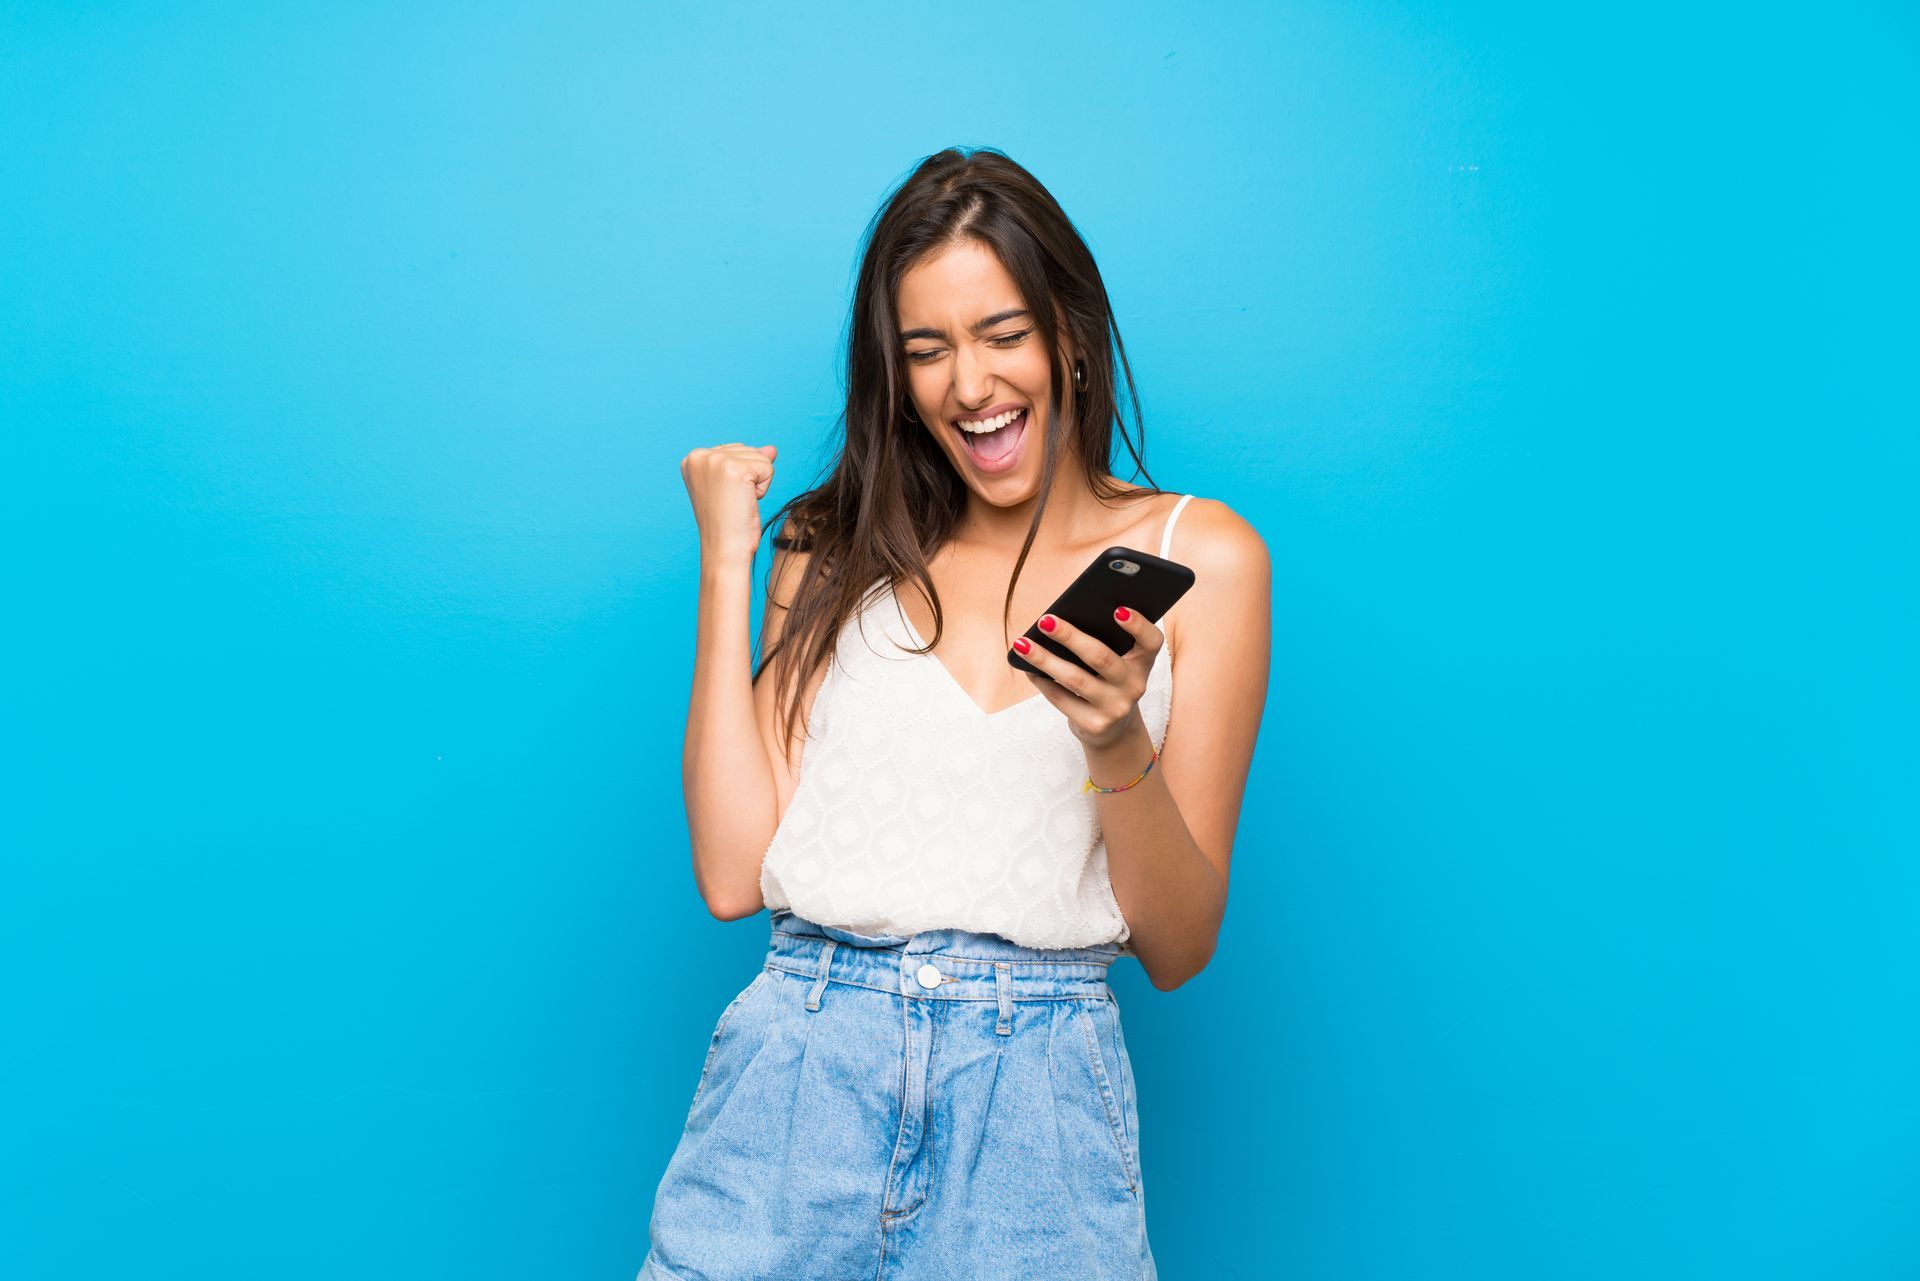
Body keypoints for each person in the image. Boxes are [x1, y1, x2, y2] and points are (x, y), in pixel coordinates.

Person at [644, 146, 1270, 1281]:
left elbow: (1177, 947)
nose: (969, 386)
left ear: (1069, 335)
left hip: (1038, 1106)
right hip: (797, 1078)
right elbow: (734, 874)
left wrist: (1114, 736)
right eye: (926, 351)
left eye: (1002, 334)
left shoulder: (1201, 558)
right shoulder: (831, 553)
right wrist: (728, 565)